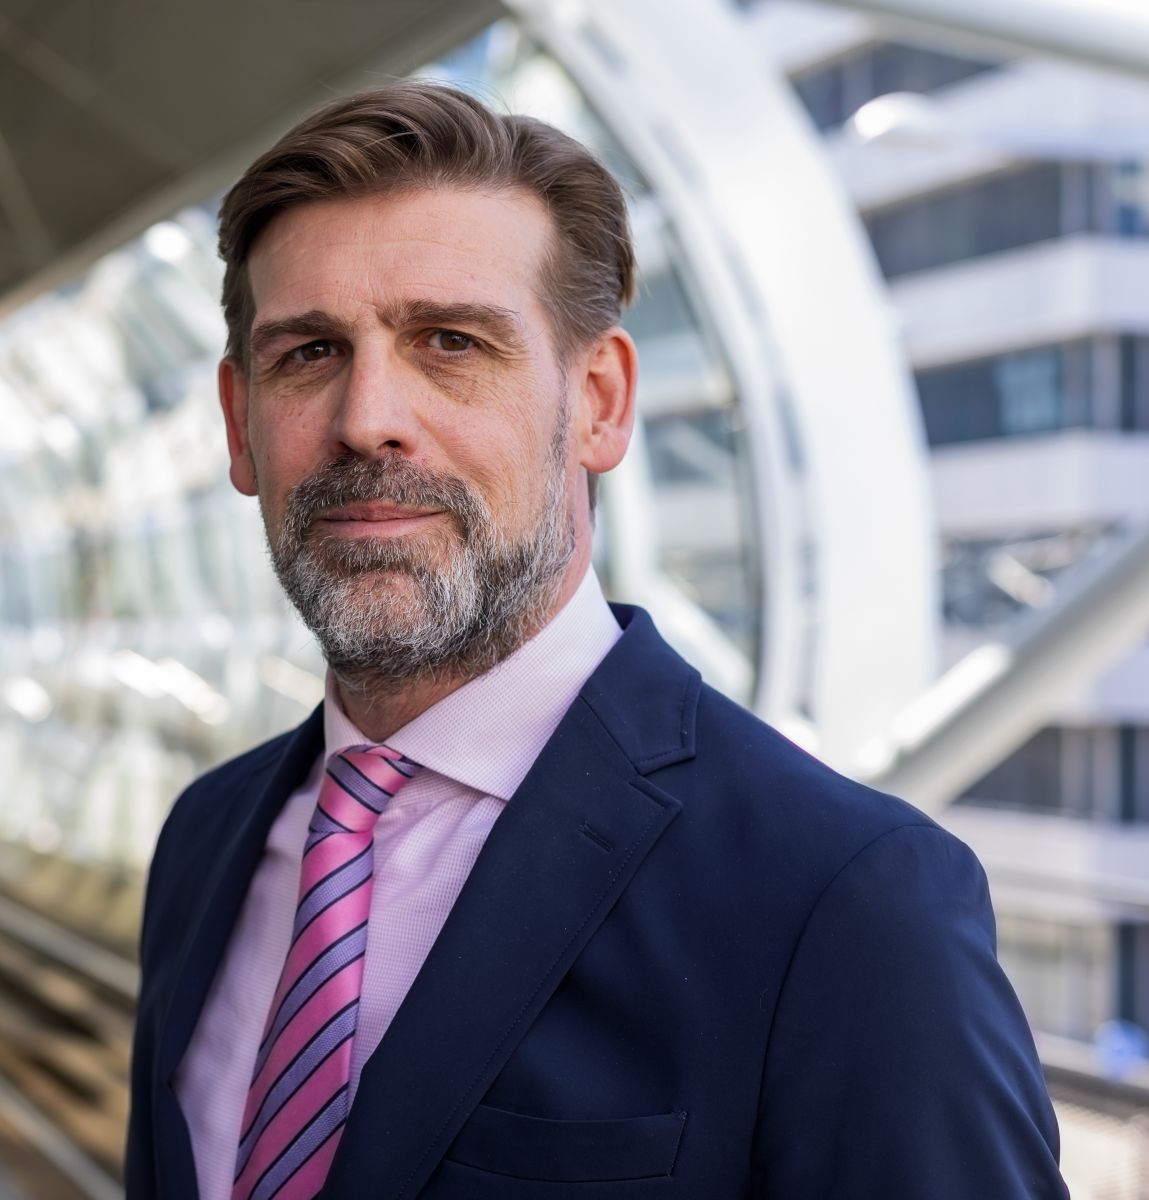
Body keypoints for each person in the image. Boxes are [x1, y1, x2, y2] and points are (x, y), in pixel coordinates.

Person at [126, 82, 1068, 1200]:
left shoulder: (847, 904)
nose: (367, 417)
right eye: (310, 352)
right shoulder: (207, 840)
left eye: (450, 342)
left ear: (602, 402)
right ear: (240, 425)